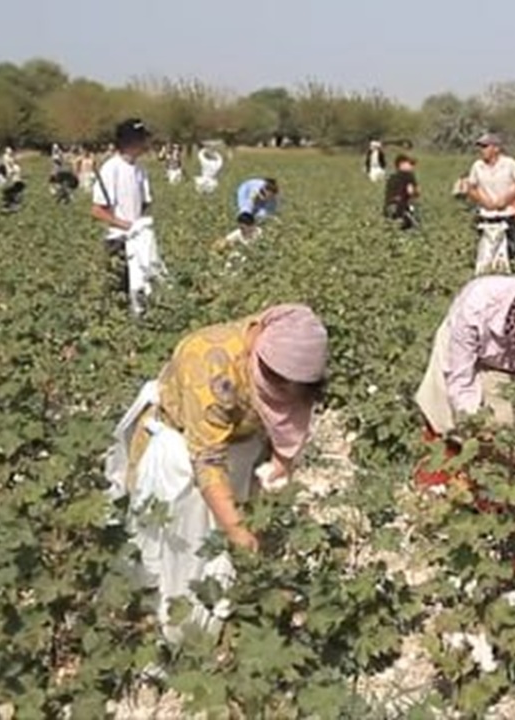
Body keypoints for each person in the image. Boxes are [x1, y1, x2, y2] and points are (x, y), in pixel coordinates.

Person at [105, 304, 329, 637]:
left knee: (224, 545)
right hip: (180, 457)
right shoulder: (209, 362)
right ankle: (166, 627)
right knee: (179, 545)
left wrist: (280, 467)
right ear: (260, 357)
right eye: (280, 388)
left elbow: (291, 418)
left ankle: (221, 612)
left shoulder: (295, 351)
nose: (284, 398)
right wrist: (237, 530)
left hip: (238, 450)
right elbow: (207, 460)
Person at [413, 276, 515, 524]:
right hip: (465, 356)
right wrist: (483, 434)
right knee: (443, 412)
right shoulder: (475, 306)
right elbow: (460, 383)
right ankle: (432, 494)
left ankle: (503, 509)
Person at [92, 118, 155, 306]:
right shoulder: (111, 169)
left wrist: (141, 226)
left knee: (141, 289)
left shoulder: (140, 170)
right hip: (118, 241)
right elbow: (97, 210)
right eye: (142, 140)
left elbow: (145, 203)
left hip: (139, 240)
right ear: (131, 142)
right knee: (119, 293)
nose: (145, 144)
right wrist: (127, 225)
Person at [466, 133, 515, 262]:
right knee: (486, 255)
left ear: (496, 148)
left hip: (507, 214)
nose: (482, 150)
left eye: (485, 146)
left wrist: (507, 199)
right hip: (486, 216)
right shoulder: (477, 166)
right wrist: (484, 201)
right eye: (481, 147)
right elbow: (471, 188)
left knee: (512, 253)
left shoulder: (509, 164)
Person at [383, 154, 420, 230]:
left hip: (389, 207)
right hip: (402, 208)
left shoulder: (391, 177)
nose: (412, 166)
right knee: (413, 226)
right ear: (401, 164)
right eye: (410, 164)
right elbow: (411, 192)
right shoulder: (409, 176)